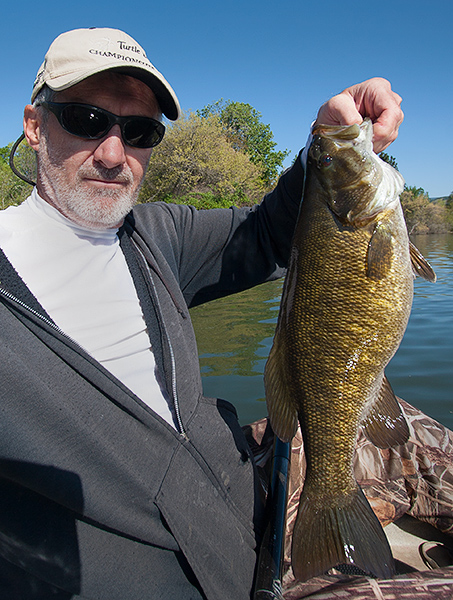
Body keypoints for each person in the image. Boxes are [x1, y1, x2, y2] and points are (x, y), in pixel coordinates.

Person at [0, 27, 404, 600]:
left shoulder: (156, 235)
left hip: (249, 522)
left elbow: (267, 234)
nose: (114, 153)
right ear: (35, 125)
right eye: (86, 120)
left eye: (140, 131)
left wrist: (330, 137)